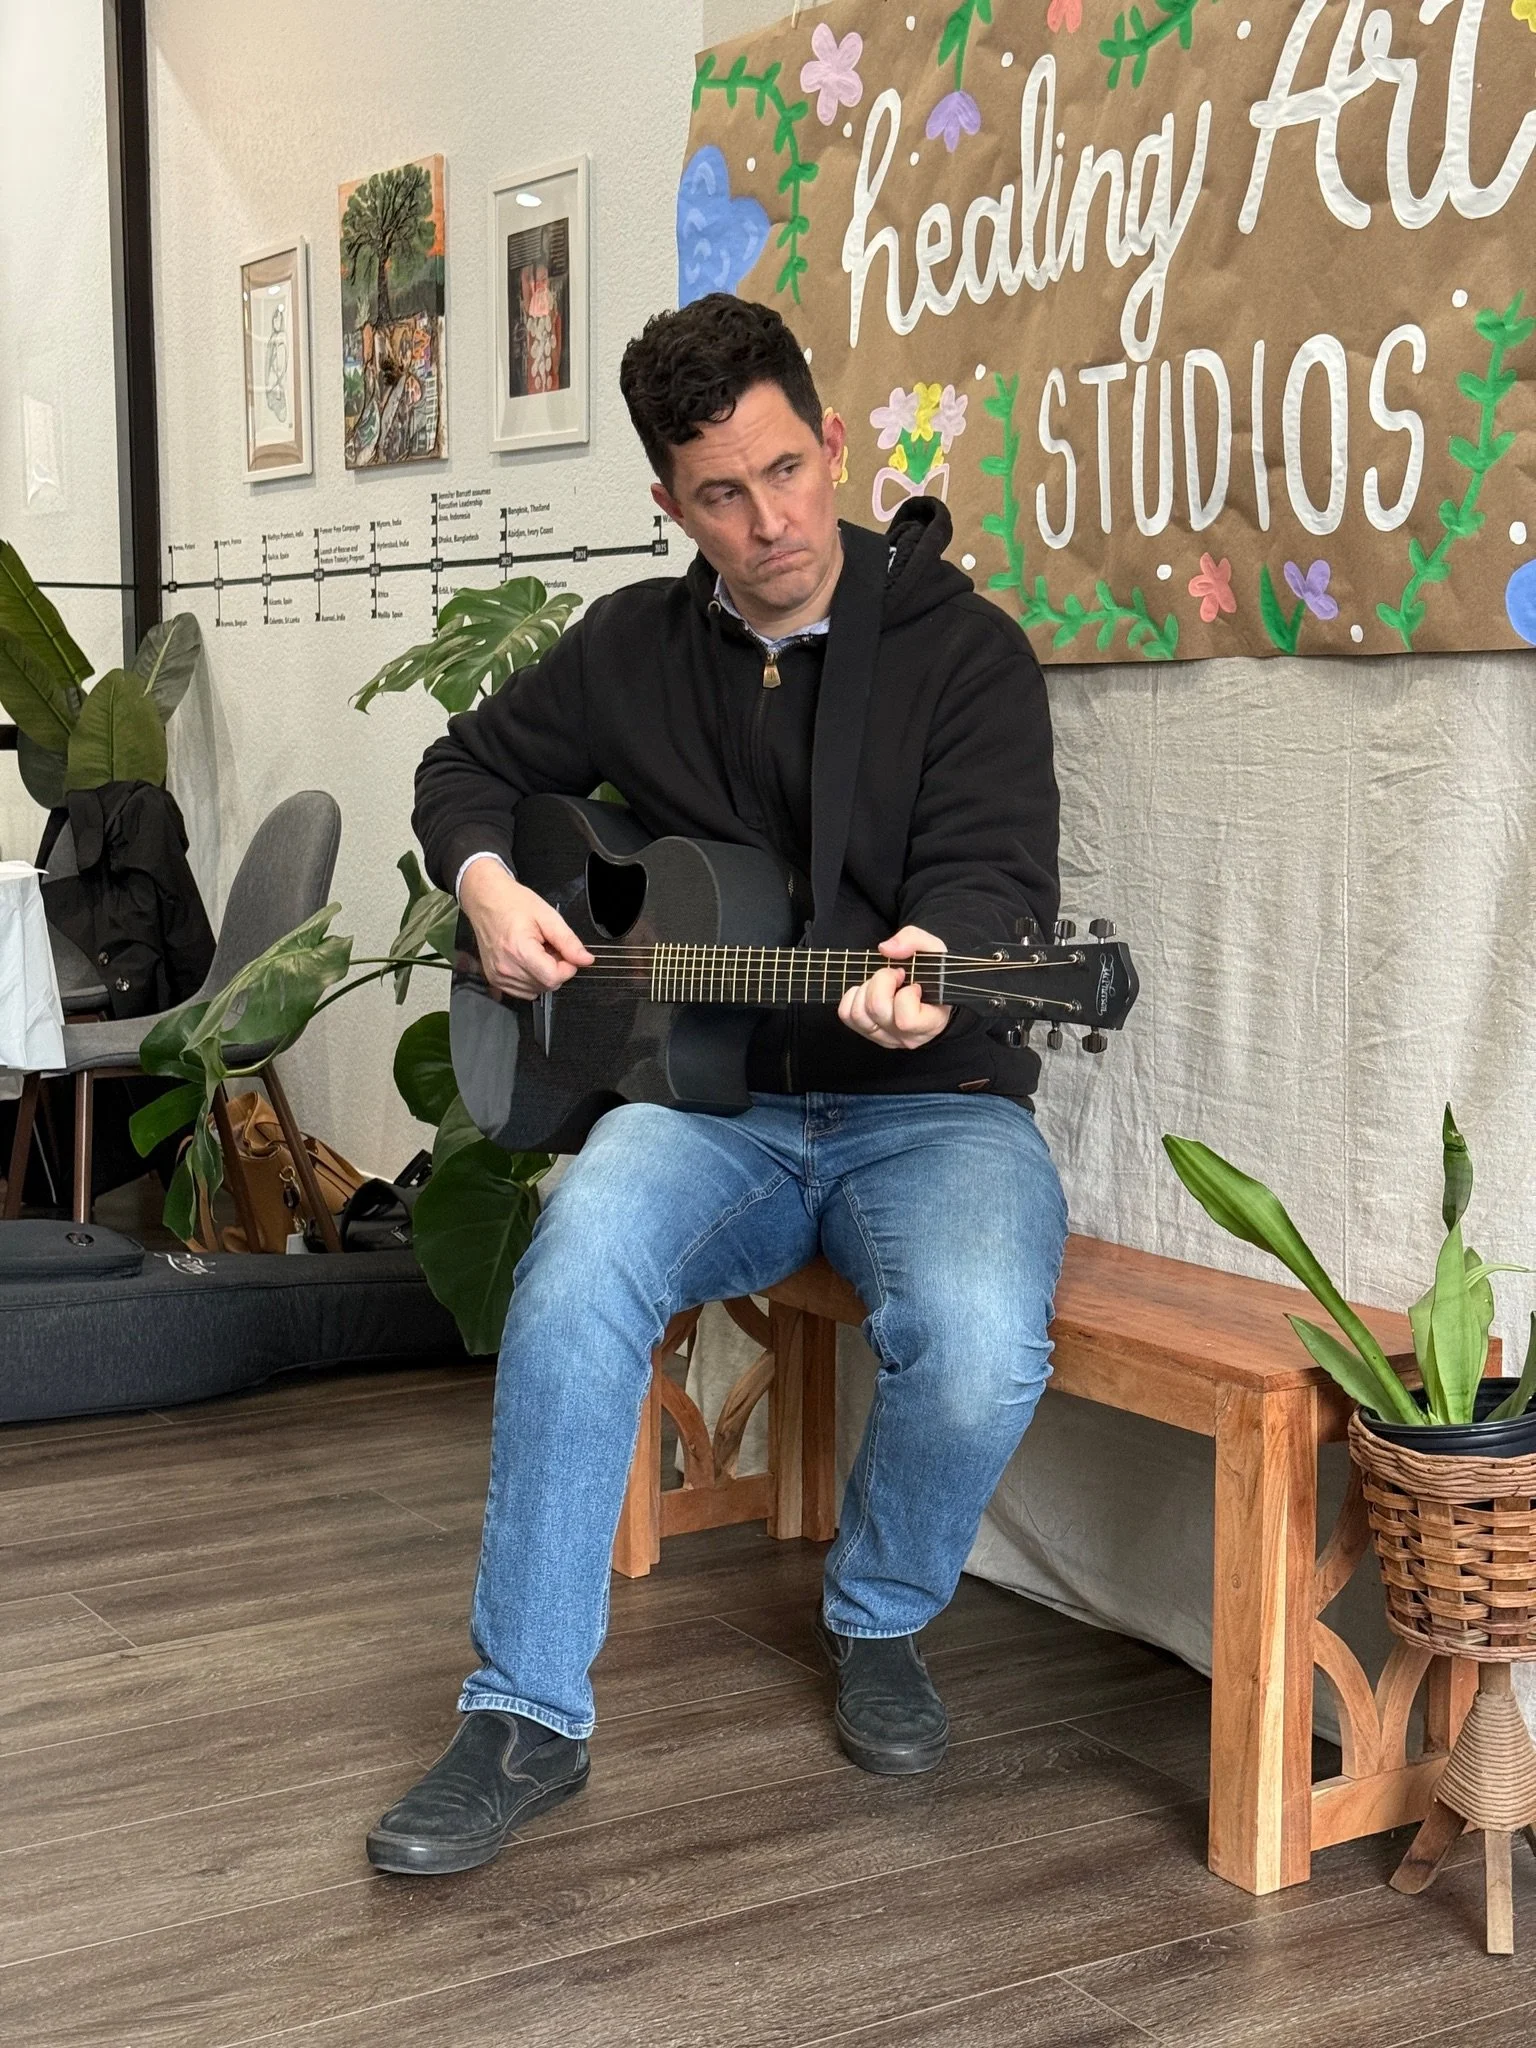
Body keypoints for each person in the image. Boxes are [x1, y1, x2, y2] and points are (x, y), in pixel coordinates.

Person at [367, 293, 1066, 1876]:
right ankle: (524, 1714)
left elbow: (996, 882)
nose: (772, 524)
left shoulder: (964, 656)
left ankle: (879, 1616)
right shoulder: (632, 648)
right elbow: (461, 767)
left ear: (834, 440)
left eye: (788, 471)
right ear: (670, 506)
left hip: (932, 1104)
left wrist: (934, 959)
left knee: (975, 1342)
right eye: (723, 495)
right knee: (578, 1264)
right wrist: (484, 878)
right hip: (712, 1110)